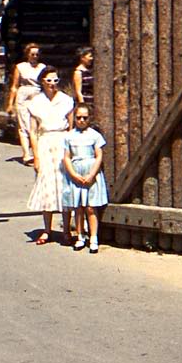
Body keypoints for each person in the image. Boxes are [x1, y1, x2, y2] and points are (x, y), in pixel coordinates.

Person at [25, 66, 75, 245]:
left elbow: (71, 127)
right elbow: (32, 131)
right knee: (46, 186)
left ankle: (67, 230)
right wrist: (35, 156)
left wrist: (70, 150)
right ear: (42, 82)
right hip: (45, 142)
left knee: (64, 186)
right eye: (49, 80)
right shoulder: (35, 102)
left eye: (55, 80)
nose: (52, 84)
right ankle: (47, 230)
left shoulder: (66, 100)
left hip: (62, 141)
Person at [63, 104, 109, 253]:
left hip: (90, 172)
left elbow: (99, 155)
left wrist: (91, 174)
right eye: (78, 117)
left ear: (89, 118)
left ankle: (94, 237)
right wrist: (73, 174)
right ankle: (80, 236)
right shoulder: (69, 136)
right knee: (78, 207)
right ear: (74, 118)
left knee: (90, 207)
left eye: (85, 117)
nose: (81, 120)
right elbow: (67, 157)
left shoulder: (94, 135)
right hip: (76, 172)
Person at [4, 43, 45, 165]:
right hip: (23, 96)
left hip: (38, 95)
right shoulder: (20, 67)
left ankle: (38, 153)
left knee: (38, 125)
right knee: (24, 125)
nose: (35, 57)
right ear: (27, 55)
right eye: (32, 54)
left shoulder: (42, 67)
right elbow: (14, 86)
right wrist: (10, 103)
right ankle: (27, 154)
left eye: (37, 54)